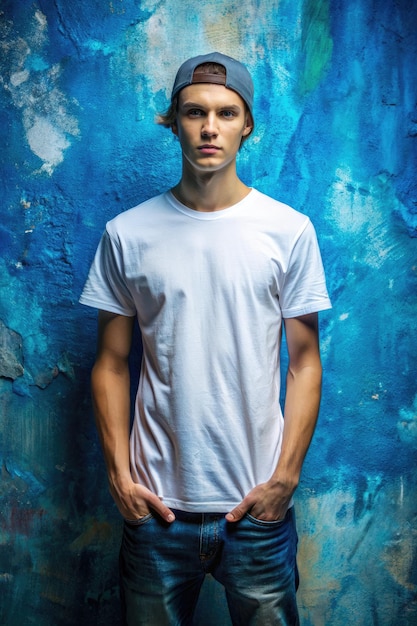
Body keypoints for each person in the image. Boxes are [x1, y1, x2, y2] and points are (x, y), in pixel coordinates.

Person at [80, 52, 331, 626]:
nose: (210, 127)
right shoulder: (127, 234)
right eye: (194, 112)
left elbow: (304, 363)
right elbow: (112, 364)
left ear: (248, 125)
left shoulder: (288, 231)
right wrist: (121, 476)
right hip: (158, 509)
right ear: (173, 122)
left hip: (256, 511)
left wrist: (285, 479)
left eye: (226, 113)